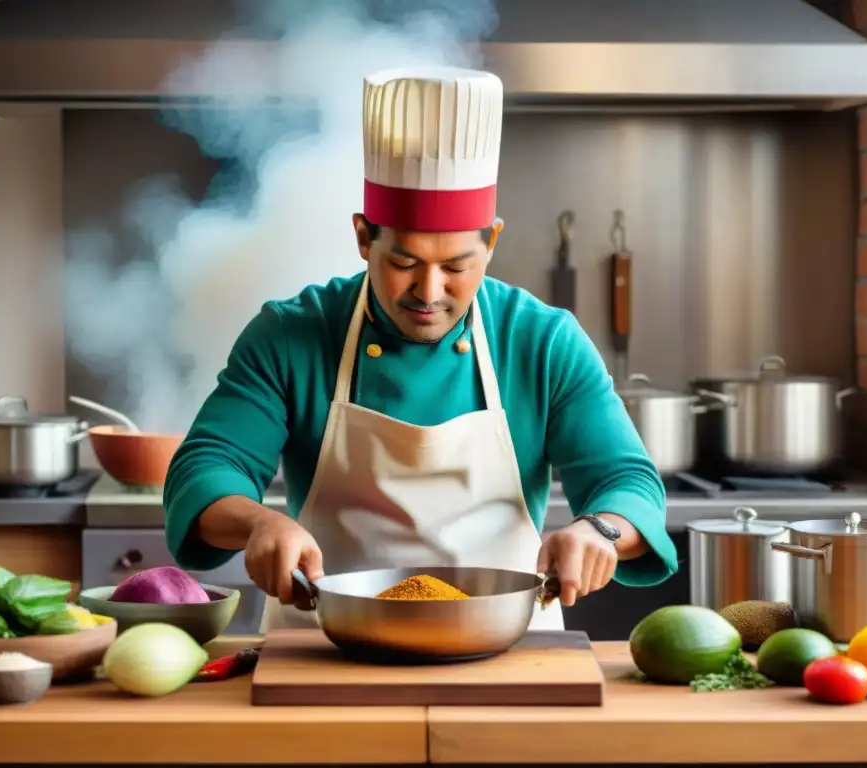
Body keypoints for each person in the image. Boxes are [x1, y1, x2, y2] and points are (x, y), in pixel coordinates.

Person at [163, 66, 678, 632]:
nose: (429, 293)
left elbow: (628, 483)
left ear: (493, 241)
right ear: (364, 236)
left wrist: (598, 530)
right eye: (403, 264)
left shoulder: (541, 340)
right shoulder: (292, 334)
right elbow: (206, 467)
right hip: (326, 648)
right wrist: (258, 522)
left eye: (457, 267)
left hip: (502, 645)